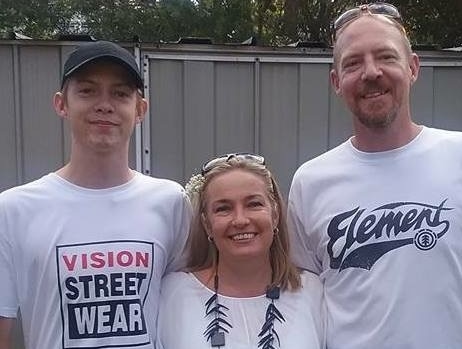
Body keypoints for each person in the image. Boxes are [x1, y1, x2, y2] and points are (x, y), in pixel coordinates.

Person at [287, 3, 462, 349]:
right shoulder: (310, 181)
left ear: (413, 67)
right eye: (353, 62)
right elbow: (302, 304)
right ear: (336, 81)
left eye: (386, 56)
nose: (371, 72)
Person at [0, 41, 191, 349]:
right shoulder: (13, 210)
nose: (105, 105)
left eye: (120, 93)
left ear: (140, 109)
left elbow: (189, 306)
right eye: (87, 91)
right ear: (61, 104)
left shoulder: (170, 202)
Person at [157, 153, 325, 349]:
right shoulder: (172, 294)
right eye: (223, 209)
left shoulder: (312, 292)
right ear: (207, 224)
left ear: (275, 214)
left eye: (254, 204)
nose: (240, 220)